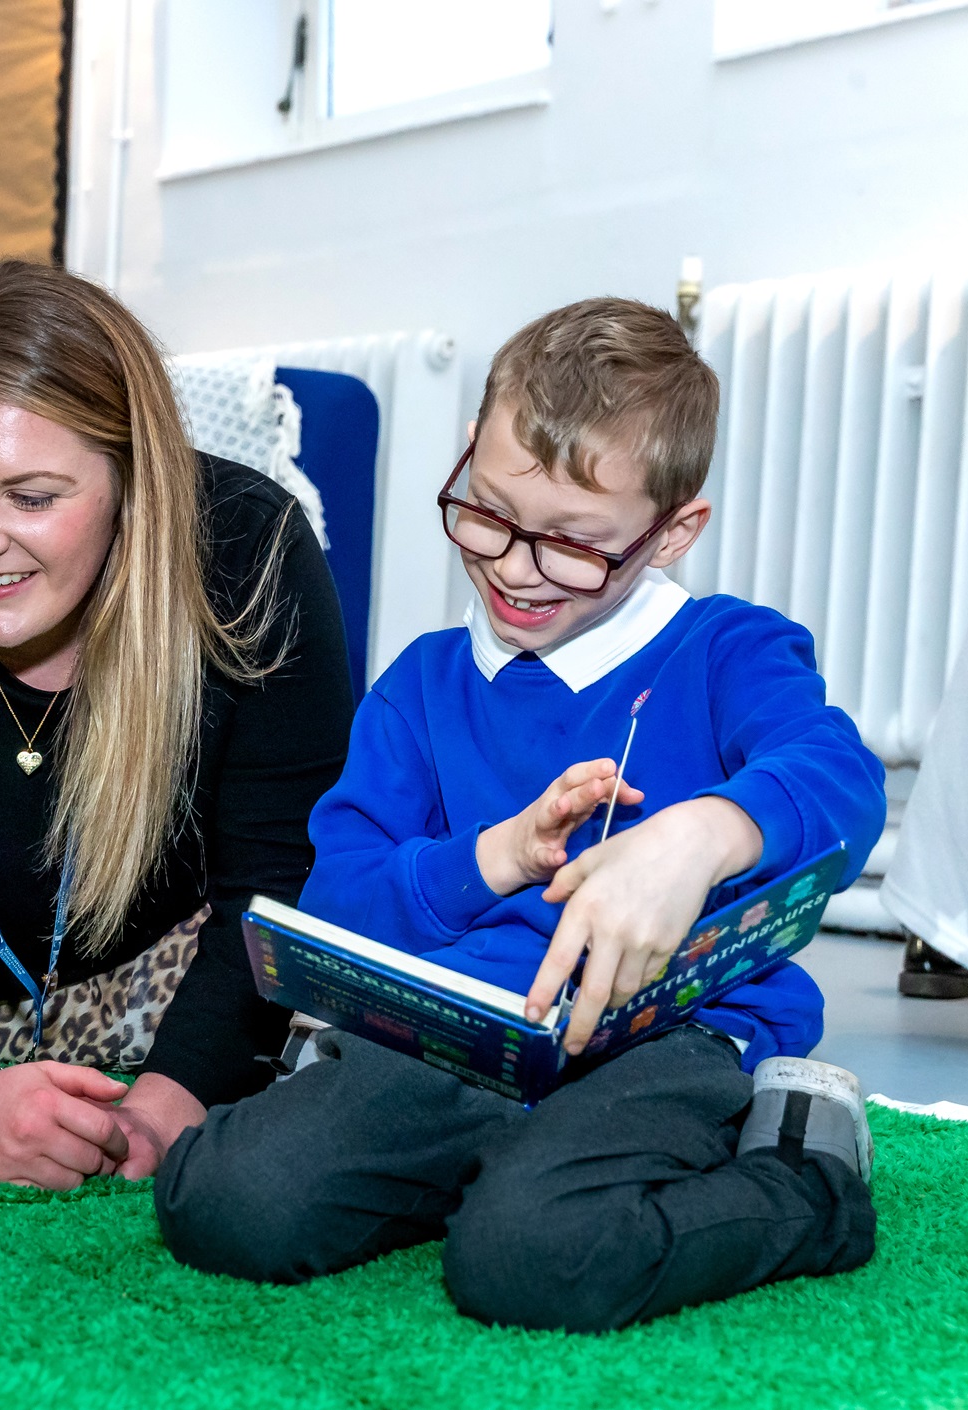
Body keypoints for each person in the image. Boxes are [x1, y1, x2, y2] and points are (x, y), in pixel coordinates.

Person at [154, 298, 888, 1332]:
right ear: (466, 456)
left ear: (672, 531)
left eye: (574, 545)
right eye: (488, 513)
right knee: (219, 1198)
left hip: (665, 1034)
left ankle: (807, 1178)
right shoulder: (419, 686)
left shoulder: (728, 650)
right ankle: (493, 1166)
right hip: (457, 1038)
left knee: (528, 1259)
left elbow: (838, 778)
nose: (513, 566)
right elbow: (336, 905)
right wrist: (490, 858)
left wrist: (699, 834)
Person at [0, 259, 352, 1189]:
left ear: (134, 477)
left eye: (31, 498)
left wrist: (167, 1104)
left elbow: (280, 880)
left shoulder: (253, 553)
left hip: (173, 990)